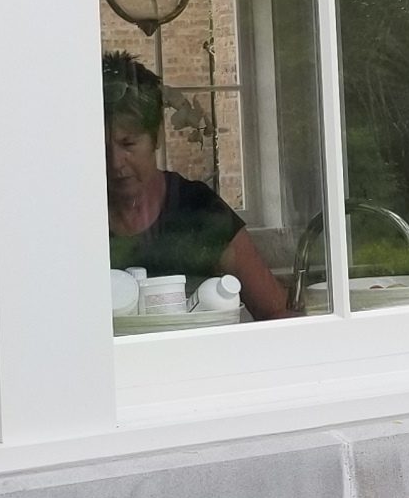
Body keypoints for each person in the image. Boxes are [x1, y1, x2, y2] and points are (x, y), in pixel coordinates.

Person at [102, 51, 294, 321]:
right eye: (101, 146)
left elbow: (275, 309)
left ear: (156, 137)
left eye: (128, 144)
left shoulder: (196, 207)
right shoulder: (79, 216)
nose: (114, 162)